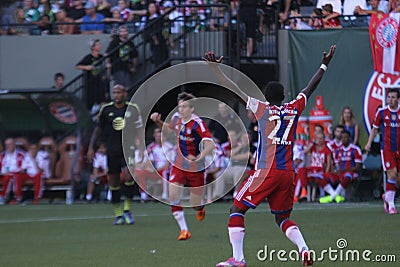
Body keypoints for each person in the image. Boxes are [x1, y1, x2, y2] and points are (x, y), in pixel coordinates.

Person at [203, 45, 336, 266]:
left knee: (237, 208)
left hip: (266, 171)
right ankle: (304, 249)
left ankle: (238, 259)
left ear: (266, 96)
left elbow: (232, 88)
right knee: (282, 217)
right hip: (287, 173)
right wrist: (324, 64)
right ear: (284, 96)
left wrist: (215, 69)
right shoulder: (294, 108)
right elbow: (310, 87)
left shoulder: (261, 109)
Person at [150, 92, 215, 241]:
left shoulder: (198, 123)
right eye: (180, 106)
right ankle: (184, 230)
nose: (181, 109)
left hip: (195, 167)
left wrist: (199, 157)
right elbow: (169, 128)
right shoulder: (176, 119)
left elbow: (210, 145)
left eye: (185, 107)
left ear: (192, 109)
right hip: (179, 163)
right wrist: (158, 122)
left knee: (195, 204)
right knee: (173, 195)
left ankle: (200, 208)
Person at [87, 84, 144, 225]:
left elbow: (139, 129)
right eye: (114, 92)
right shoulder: (106, 109)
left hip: (128, 148)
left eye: (119, 92)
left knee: (129, 176)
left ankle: (127, 210)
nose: (116, 95)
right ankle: (118, 215)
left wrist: (141, 147)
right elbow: (98, 129)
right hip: (111, 149)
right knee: (113, 181)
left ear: (125, 94)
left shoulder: (133, 108)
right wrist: (91, 147)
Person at [365, 88, 400, 215]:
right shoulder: (381, 112)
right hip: (387, 149)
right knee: (392, 174)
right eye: (389, 97)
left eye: (393, 97)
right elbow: (374, 129)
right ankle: (391, 205)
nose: (390, 100)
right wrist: (369, 143)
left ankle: (387, 197)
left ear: (398, 99)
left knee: (397, 179)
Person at [319, 130, 362, 204]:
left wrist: (344, 170)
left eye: (345, 137)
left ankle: (332, 196)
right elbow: (336, 165)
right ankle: (336, 196)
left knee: (347, 175)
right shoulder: (338, 150)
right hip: (340, 173)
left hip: (351, 174)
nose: (344, 139)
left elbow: (358, 167)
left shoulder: (355, 149)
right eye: (342, 138)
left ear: (349, 138)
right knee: (319, 176)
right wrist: (334, 171)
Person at [75, 38, 107, 111]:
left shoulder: (101, 57)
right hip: (90, 82)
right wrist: (86, 67)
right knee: (90, 100)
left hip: (99, 81)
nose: (100, 46)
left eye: (99, 44)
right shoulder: (88, 57)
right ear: (92, 47)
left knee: (102, 99)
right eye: (97, 44)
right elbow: (77, 66)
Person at [146, 127, 175, 200]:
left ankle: (165, 194)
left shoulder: (169, 146)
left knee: (164, 172)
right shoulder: (151, 147)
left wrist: (159, 169)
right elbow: (149, 162)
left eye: (160, 136)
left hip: (167, 170)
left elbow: (169, 164)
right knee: (143, 172)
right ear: (154, 136)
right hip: (155, 170)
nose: (158, 138)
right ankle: (144, 195)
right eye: (157, 136)